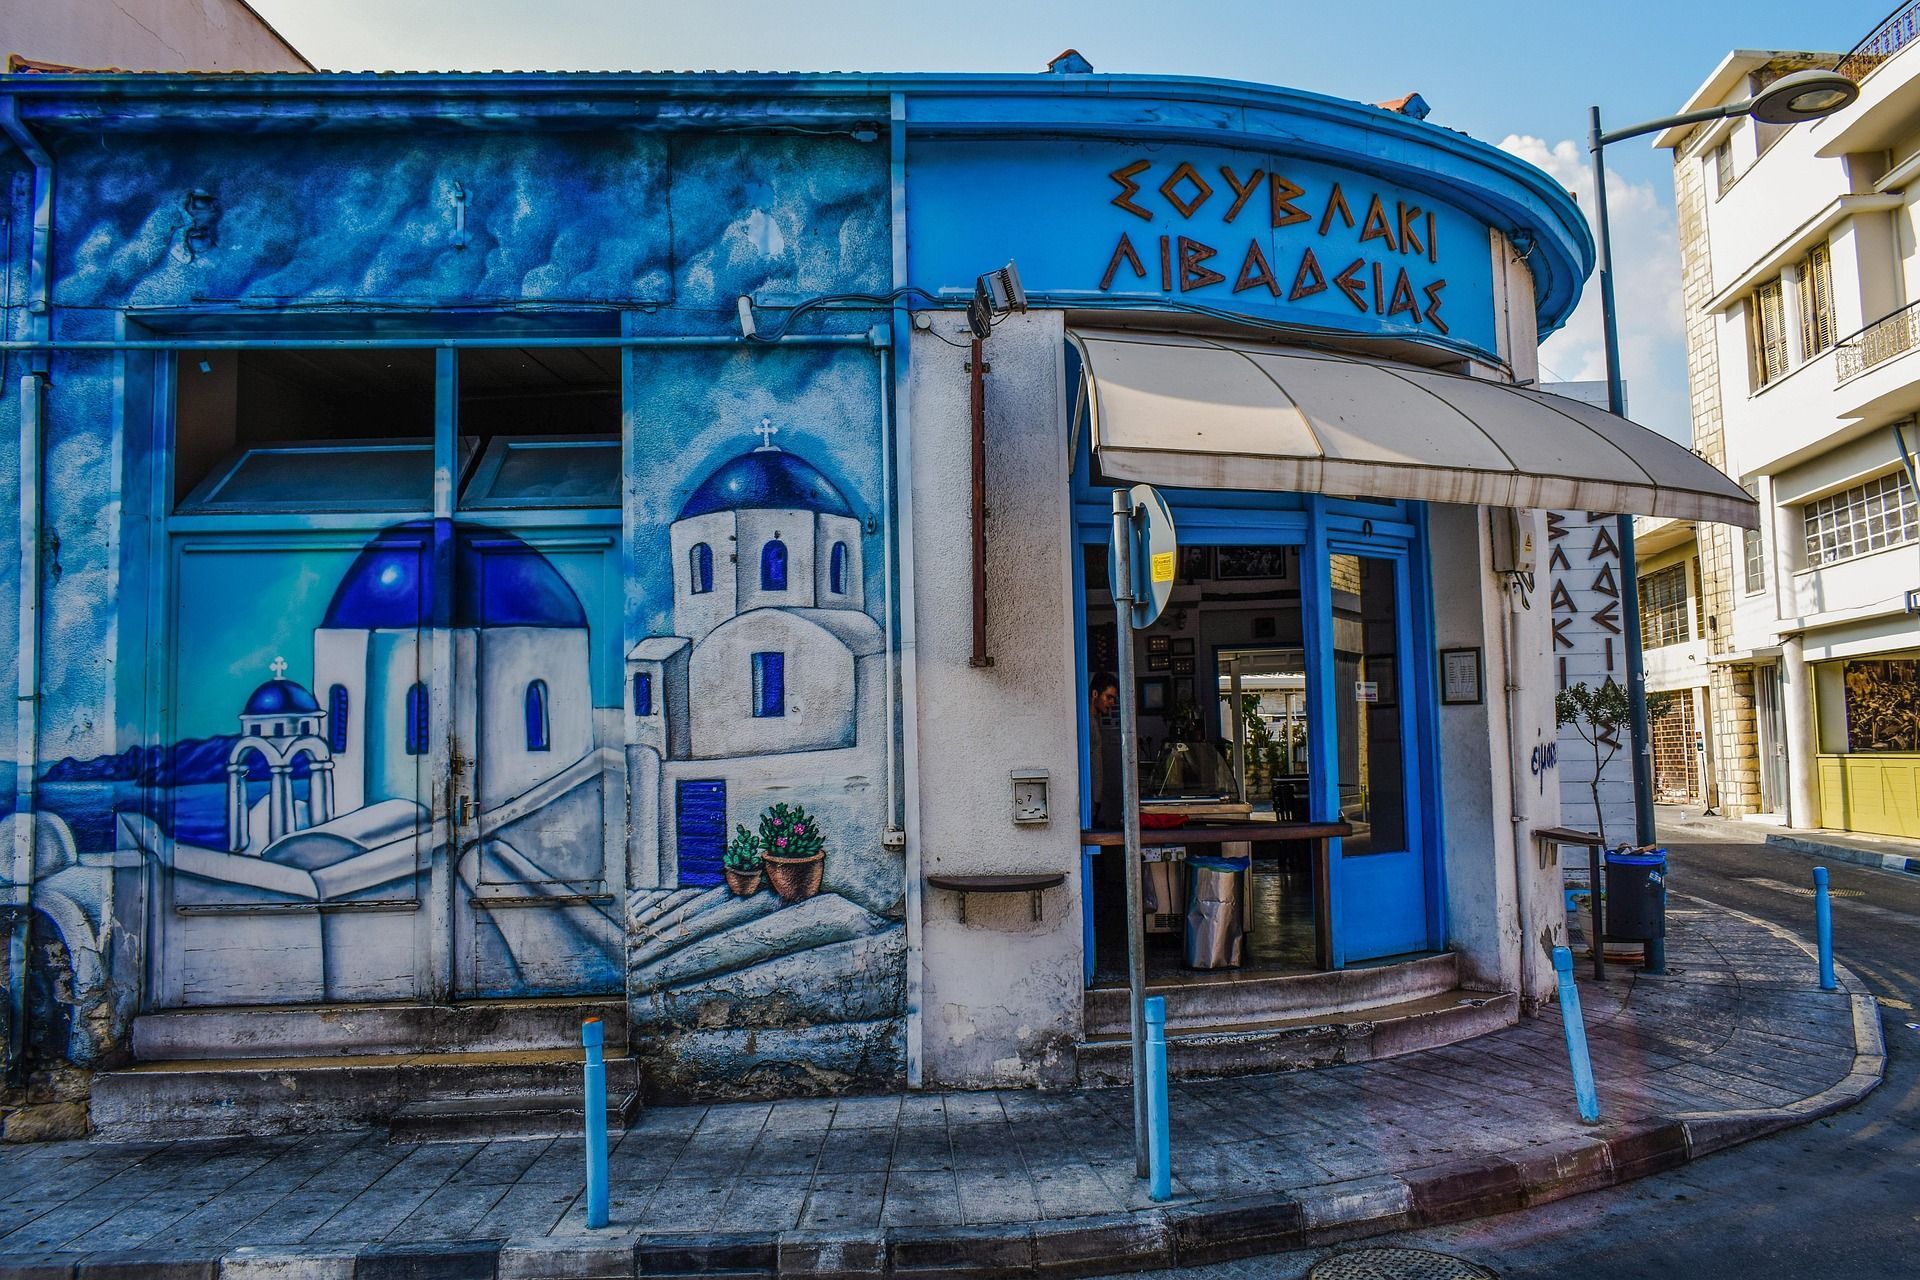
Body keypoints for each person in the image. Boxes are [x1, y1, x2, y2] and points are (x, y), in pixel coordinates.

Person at [1087, 671, 1119, 826]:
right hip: (1090, 798)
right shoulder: (1086, 722)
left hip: (1095, 798)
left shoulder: (1093, 720)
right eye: (1108, 697)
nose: (1112, 702)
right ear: (1095, 694)